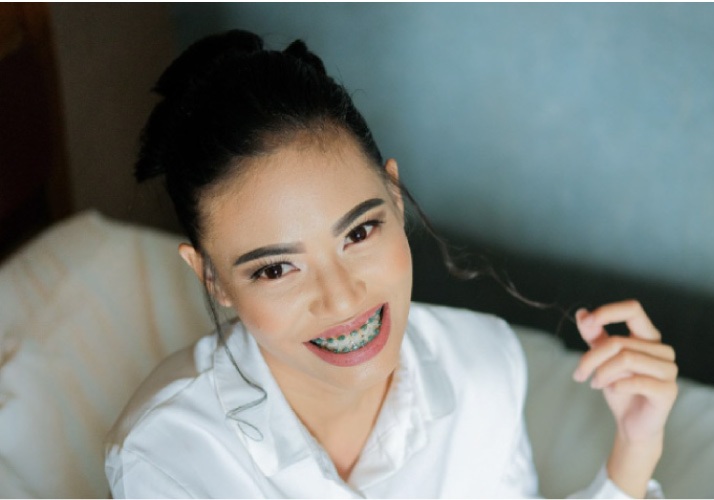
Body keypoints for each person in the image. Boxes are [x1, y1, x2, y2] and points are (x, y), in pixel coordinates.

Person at [105, 30, 678, 498]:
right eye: (276, 269)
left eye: (359, 231)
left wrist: (635, 447)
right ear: (213, 279)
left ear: (395, 198)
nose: (343, 299)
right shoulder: (170, 453)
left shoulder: (485, 364)